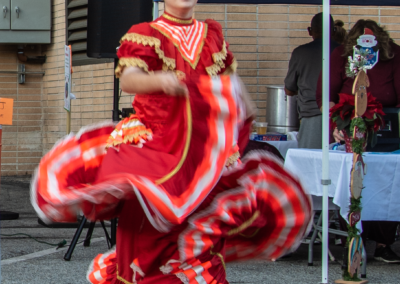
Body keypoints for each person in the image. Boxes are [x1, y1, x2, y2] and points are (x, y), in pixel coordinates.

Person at [31, 0, 312, 283]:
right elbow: (129, 79)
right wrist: (164, 82)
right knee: (150, 233)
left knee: (200, 235)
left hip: (202, 150)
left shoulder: (212, 34)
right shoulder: (145, 32)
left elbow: (230, 83)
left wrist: (242, 109)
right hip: (156, 149)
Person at [316, 19, 400, 263]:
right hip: (347, 127)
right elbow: (326, 96)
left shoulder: (395, 55)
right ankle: (352, 241)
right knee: (349, 182)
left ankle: (384, 242)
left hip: (387, 132)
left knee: (387, 181)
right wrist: (335, 127)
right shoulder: (339, 55)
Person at [284, 13, 340, 149]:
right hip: (340, 118)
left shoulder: (300, 52)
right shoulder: (344, 52)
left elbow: (289, 89)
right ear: (334, 31)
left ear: (310, 31)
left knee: (309, 164)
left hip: (311, 117)